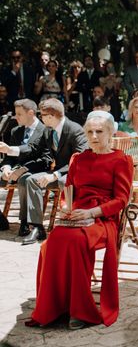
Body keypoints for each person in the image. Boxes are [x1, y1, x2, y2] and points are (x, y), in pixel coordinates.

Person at [26, 111, 133, 329]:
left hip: (103, 218)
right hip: (76, 214)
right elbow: (68, 190)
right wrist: (66, 207)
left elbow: (121, 200)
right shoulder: (79, 158)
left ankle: (81, 311)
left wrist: (92, 213)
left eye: (99, 131)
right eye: (89, 131)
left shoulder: (121, 159)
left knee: (75, 241)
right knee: (52, 241)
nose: (94, 136)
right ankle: (55, 307)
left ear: (111, 132)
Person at [18, 99, 88, 245]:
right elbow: (35, 149)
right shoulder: (48, 130)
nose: (40, 118)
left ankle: (69, 224)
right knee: (31, 180)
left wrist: (55, 175)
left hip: (74, 172)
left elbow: (79, 159)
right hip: (57, 171)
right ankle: (37, 227)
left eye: (42, 115)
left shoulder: (74, 130)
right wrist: (13, 150)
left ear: (50, 116)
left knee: (64, 181)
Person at [0, 99, 48, 233]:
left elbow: (40, 156)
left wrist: (21, 169)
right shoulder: (16, 130)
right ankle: (1, 220)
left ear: (31, 113)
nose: (16, 117)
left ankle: (25, 222)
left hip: (33, 169)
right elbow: (9, 158)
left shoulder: (44, 130)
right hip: (14, 169)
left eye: (19, 114)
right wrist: (6, 168)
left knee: (24, 180)